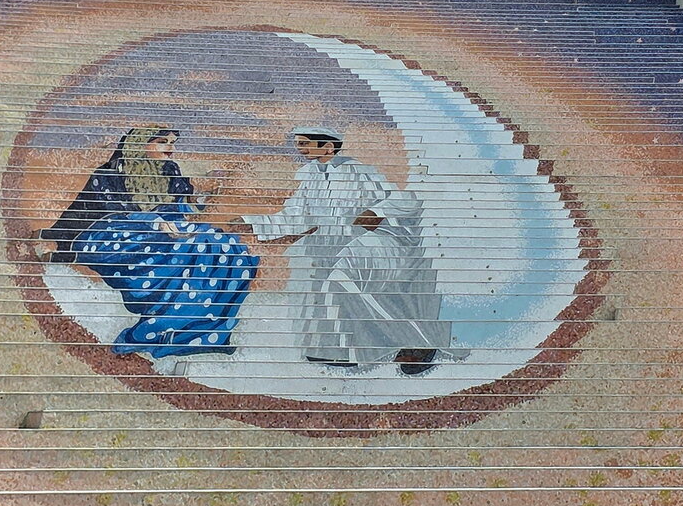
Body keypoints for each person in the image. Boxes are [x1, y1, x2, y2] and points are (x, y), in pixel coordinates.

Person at [232, 127, 459, 375]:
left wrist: (376, 212)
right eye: (298, 143)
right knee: (308, 273)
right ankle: (338, 351)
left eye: (305, 143)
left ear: (328, 147)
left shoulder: (359, 172)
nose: (300, 148)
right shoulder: (310, 178)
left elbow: (406, 200)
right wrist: (251, 222)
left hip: (376, 245)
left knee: (339, 279)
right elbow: (295, 217)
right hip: (335, 247)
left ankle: (416, 342)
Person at [39, 127, 257, 359]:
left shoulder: (169, 170)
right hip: (113, 236)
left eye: (172, 142)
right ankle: (152, 334)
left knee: (227, 247)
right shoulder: (111, 173)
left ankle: (205, 334)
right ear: (139, 144)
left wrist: (202, 194)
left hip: (162, 231)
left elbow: (180, 204)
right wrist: (155, 222)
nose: (170, 147)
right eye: (163, 141)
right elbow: (109, 212)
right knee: (190, 250)